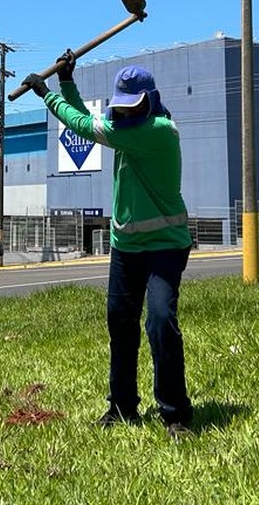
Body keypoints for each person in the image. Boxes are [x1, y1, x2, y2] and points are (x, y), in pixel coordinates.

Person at [24, 52, 194, 437]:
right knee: (120, 324)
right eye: (123, 107)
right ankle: (122, 408)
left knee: (160, 320)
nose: (126, 112)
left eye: (133, 106)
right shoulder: (128, 127)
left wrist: (48, 96)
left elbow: (85, 126)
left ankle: (176, 414)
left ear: (151, 101)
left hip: (166, 245)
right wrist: (67, 83)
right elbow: (93, 118)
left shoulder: (158, 132)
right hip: (127, 246)